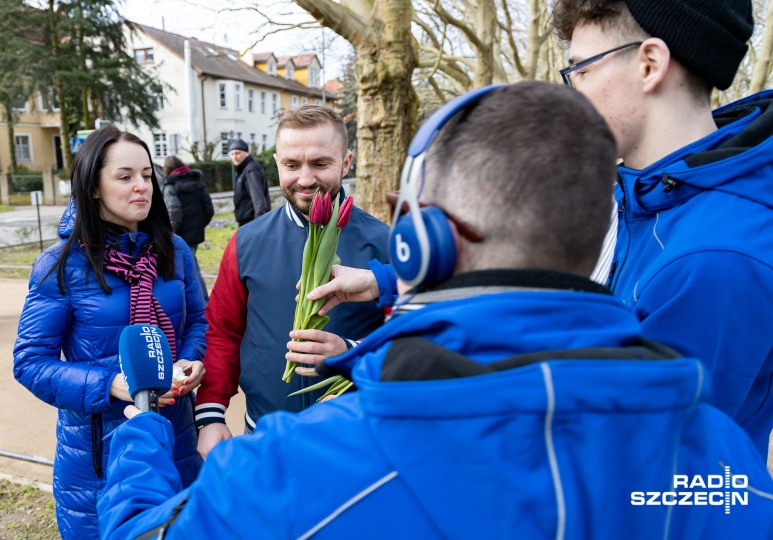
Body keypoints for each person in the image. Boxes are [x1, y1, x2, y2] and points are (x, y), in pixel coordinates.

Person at [97, 81, 773, 539]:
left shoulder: (292, 468)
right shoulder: (729, 470)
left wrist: (142, 429)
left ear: (419, 243)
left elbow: (140, 530)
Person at [551, 0, 773, 453]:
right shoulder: (640, 198)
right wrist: (389, 280)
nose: (572, 92)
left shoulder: (713, 259)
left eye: (582, 70)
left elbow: (631, 464)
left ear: (650, 64)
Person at [13, 126, 208, 539]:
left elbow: (197, 322)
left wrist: (191, 361)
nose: (142, 187)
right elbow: (30, 363)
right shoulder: (60, 265)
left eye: (146, 175)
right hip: (101, 453)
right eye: (124, 177)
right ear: (94, 187)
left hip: (177, 435)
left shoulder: (175, 251)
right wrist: (111, 384)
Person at [194, 105, 391, 457]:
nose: (304, 179)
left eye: (320, 164)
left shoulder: (385, 244)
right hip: (264, 433)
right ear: (276, 162)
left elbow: (414, 338)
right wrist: (211, 414)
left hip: (355, 440)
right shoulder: (247, 241)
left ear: (346, 163)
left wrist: (351, 351)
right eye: (291, 165)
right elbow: (223, 331)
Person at [161, 156, 214, 300]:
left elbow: (174, 213)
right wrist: (197, 226)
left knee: (191, 269)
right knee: (190, 266)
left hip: (180, 234)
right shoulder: (197, 182)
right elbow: (209, 209)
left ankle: (202, 298)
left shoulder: (171, 186)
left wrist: (171, 235)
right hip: (194, 234)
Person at [228, 139, 270, 225]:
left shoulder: (251, 170)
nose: (234, 157)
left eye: (237, 153)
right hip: (247, 221)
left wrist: (259, 222)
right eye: (232, 154)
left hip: (251, 221)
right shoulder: (243, 170)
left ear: (247, 153)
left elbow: (257, 198)